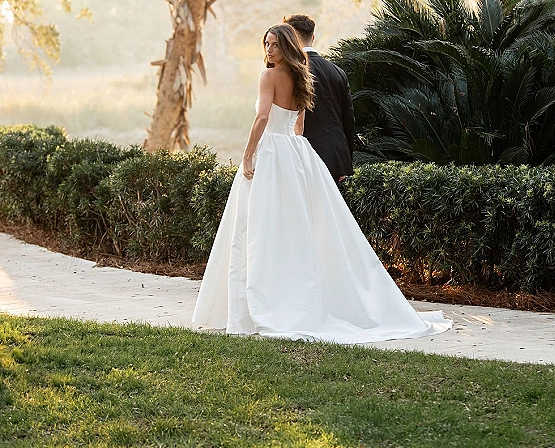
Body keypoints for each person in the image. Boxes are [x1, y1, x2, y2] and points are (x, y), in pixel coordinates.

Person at [192, 23, 452, 343]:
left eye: (273, 44)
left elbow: (261, 119)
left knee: (260, 228)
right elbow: (299, 124)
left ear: (287, 45)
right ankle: (287, 299)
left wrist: (248, 156)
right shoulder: (302, 77)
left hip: (272, 152)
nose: (268, 50)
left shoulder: (269, 77)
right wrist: (294, 153)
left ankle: (261, 304)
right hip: (296, 153)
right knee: (295, 228)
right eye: (266, 44)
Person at [283, 13, 354, 183]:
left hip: (302, 158)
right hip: (336, 159)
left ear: (289, 38)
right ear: (312, 37)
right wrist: (346, 160)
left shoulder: (287, 73)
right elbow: (348, 120)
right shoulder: (337, 72)